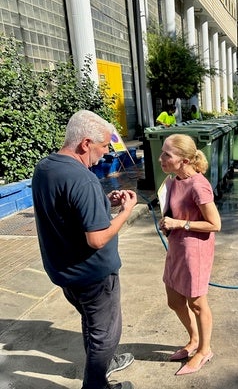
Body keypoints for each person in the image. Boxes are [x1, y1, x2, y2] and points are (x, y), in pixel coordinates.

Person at [32, 110, 137, 389]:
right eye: (104, 146)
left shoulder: (46, 167)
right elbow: (97, 239)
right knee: (106, 334)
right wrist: (125, 212)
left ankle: (103, 367)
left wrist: (103, 203)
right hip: (94, 275)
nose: (105, 154)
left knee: (92, 324)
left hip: (65, 271)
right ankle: (96, 385)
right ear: (85, 143)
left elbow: (66, 208)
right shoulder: (83, 179)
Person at [157, 134, 221, 375]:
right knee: (174, 300)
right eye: (162, 152)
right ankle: (193, 339)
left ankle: (204, 350)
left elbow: (215, 224)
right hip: (177, 249)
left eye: (167, 154)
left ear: (184, 160)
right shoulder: (174, 180)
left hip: (195, 251)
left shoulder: (198, 184)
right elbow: (176, 214)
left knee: (196, 303)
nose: (161, 158)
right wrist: (168, 223)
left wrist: (180, 224)